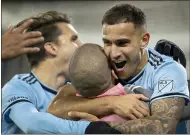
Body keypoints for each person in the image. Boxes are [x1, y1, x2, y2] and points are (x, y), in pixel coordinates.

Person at [48, 4, 189, 134]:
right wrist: (113, 103)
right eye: (107, 42)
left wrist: (99, 127)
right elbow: (56, 107)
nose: (113, 53)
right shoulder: (101, 60)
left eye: (122, 43)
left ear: (144, 40)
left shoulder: (168, 71)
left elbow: (164, 127)